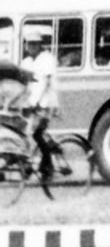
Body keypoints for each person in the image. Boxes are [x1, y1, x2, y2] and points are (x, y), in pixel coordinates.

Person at [19, 25, 59, 178]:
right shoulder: (26, 62)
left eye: (35, 43)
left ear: (40, 44)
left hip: (45, 103)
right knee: (22, 130)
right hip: (30, 104)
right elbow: (22, 84)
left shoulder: (47, 59)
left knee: (35, 133)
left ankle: (47, 163)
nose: (31, 47)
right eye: (29, 44)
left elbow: (48, 84)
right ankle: (29, 163)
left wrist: (38, 101)